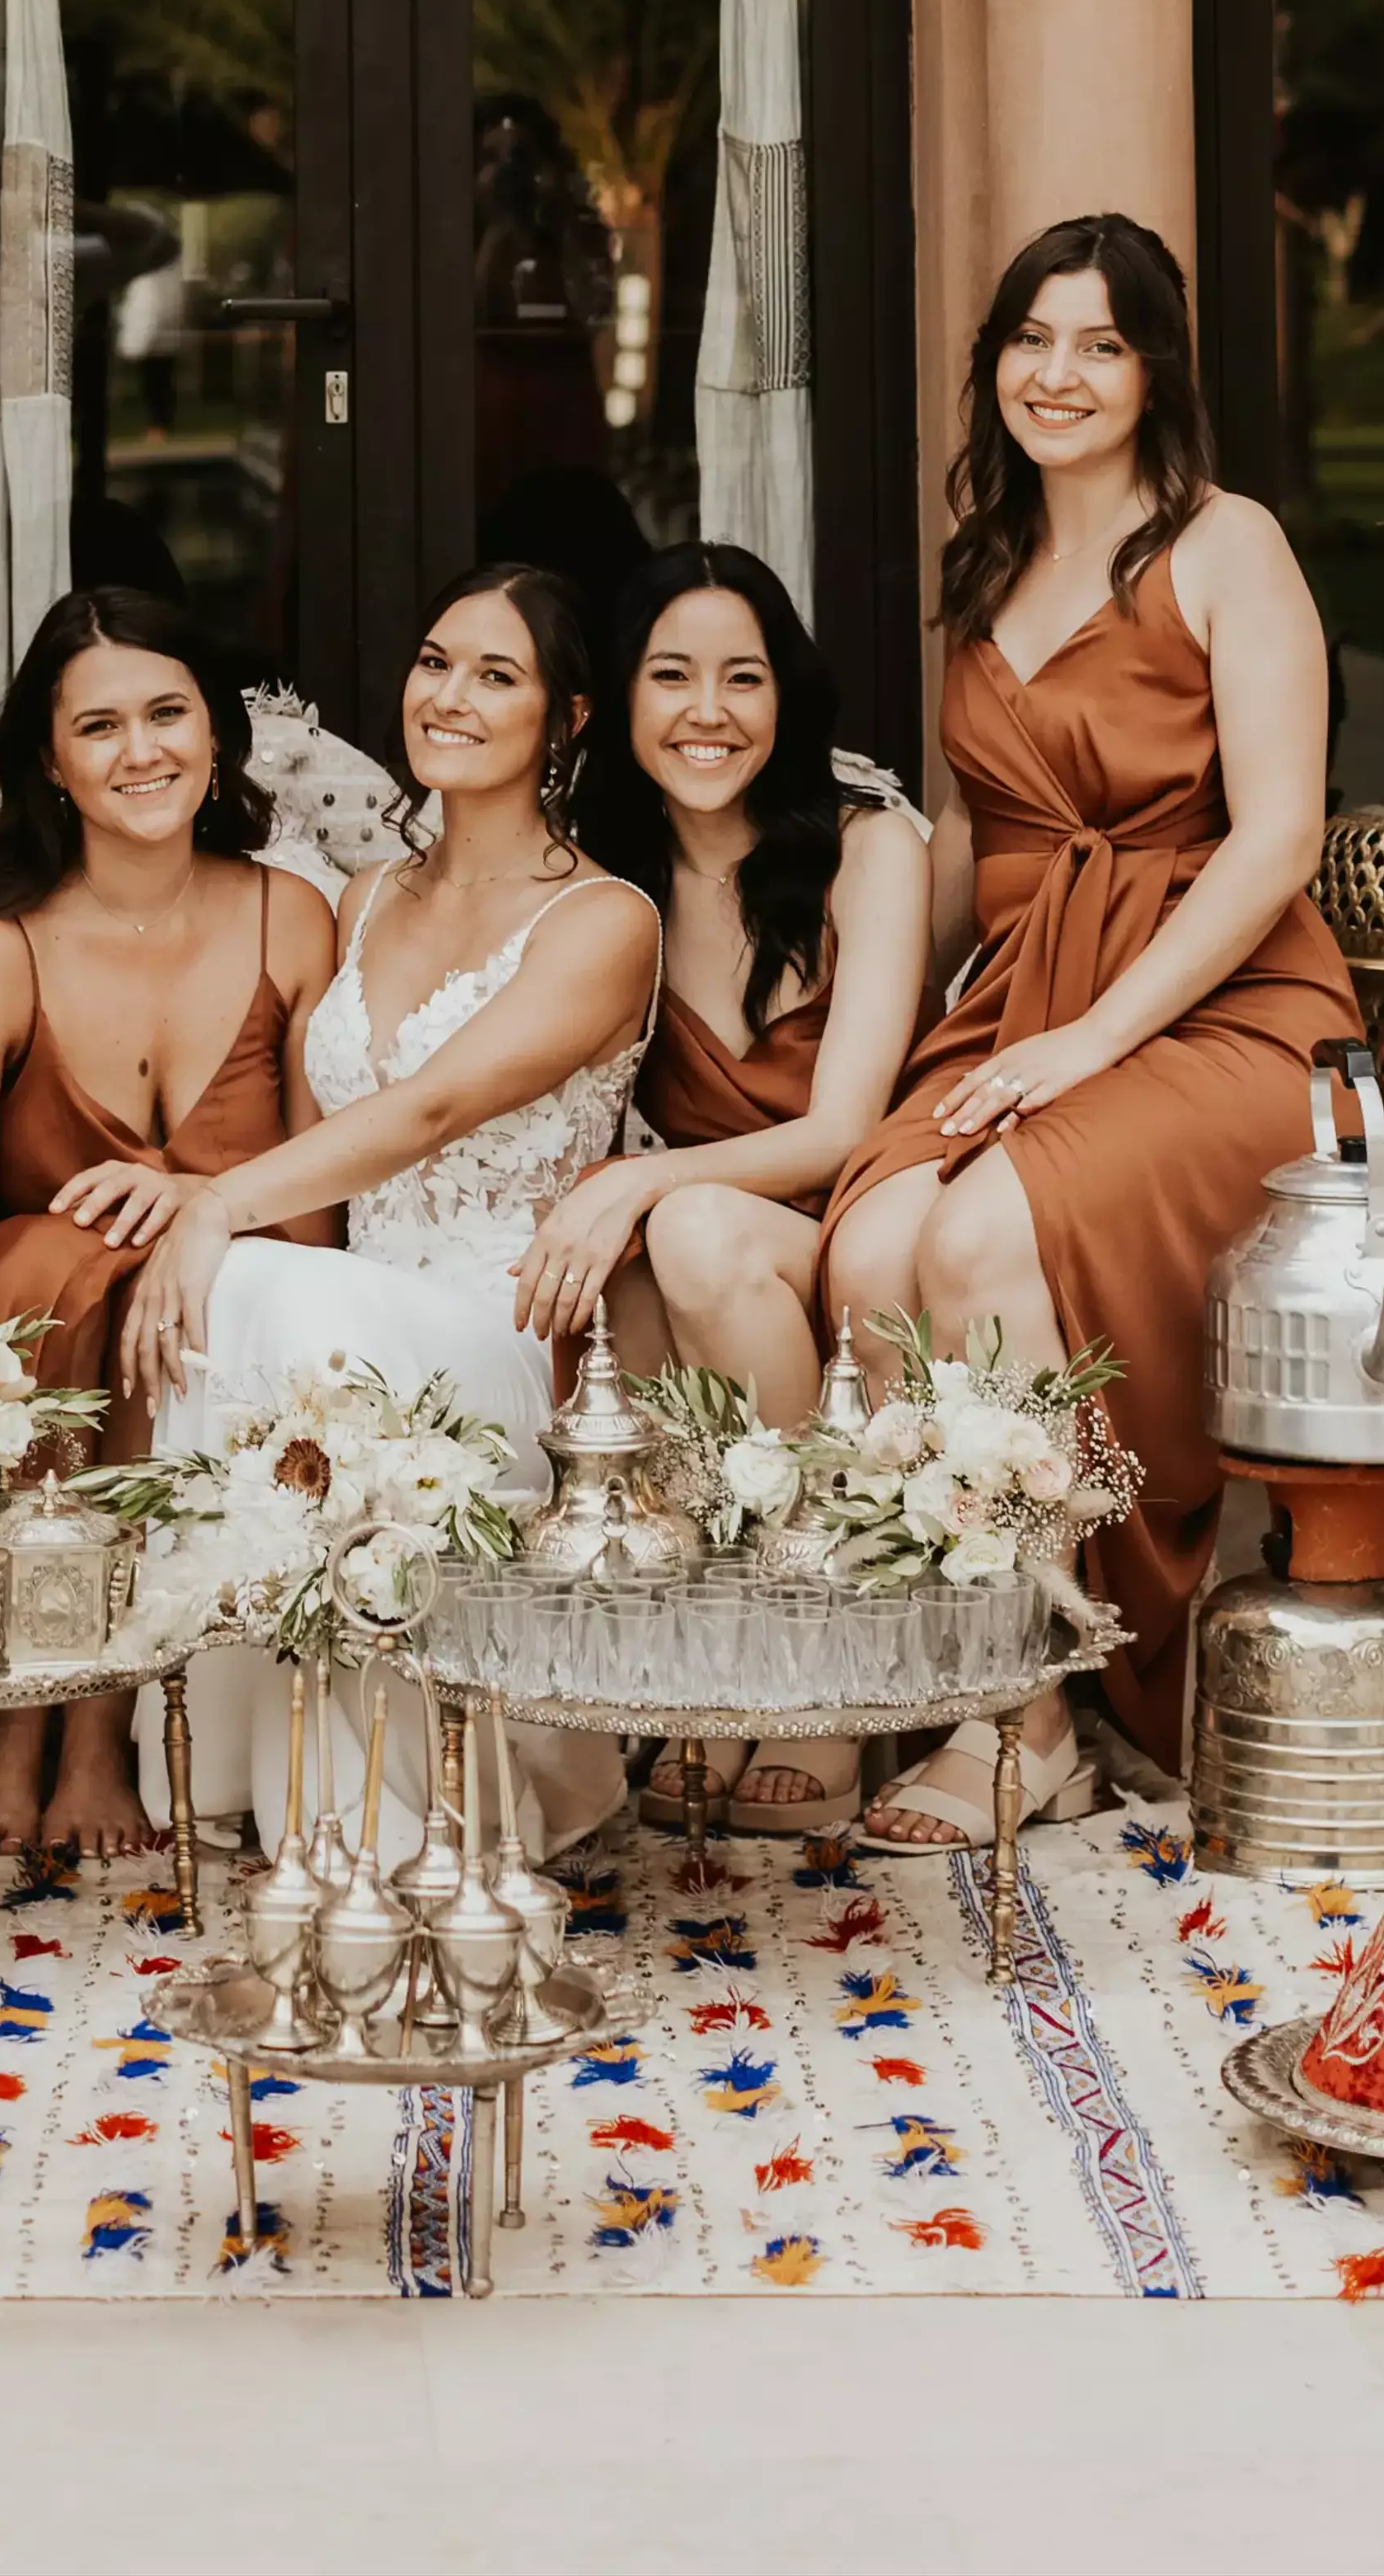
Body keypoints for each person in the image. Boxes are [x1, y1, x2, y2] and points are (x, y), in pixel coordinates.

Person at [818, 211, 1352, 1843]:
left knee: (982, 1237)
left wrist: (1093, 1034)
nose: (1060, 372)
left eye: (1101, 342)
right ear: (992, 362)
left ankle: (1033, 1714)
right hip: (1031, 998)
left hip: (1226, 1002)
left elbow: (1277, 840)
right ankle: (965, 1647)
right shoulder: (983, 565)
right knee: (870, 1243)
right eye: (1032, 338)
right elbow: (981, 853)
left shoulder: (1224, 542)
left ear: (1153, 371)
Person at [56, 561, 661, 1855]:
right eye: (434, 659)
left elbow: (433, 1108)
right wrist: (190, 1194)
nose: (447, 694)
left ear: (567, 720)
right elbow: (330, 1138)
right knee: (243, 1285)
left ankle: (390, 1817)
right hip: (357, 1311)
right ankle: (268, 1776)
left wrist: (217, 1202)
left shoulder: (605, 917)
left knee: (254, 1279)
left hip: (506, 1333)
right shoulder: (366, 895)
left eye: (496, 675)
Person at [0, 586, 338, 1854]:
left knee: (183, 1274)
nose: (140, 751)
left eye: (167, 713)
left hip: (237, 1311)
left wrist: (199, 1201)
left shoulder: (288, 916)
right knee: (55, 1255)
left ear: (216, 735)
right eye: (99, 726)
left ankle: (95, 1726)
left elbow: (319, 1201)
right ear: (48, 757)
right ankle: (24, 1709)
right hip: (40, 1343)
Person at [509, 541, 934, 1833]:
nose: (709, 711)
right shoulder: (596, 872)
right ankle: (707, 1672)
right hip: (708, 1252)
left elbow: (841, 1125)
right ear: (616, 703)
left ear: (785, 696)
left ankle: (822, 1676)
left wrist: (639, 1177)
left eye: (742, 677)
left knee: (677, 1224)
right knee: (623, 1266)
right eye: (672, 675)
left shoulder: (870, 845)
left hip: (846, 1225)